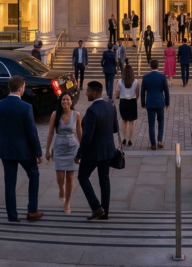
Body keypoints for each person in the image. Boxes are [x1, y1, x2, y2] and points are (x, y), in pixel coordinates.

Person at [0, 76, 44, 222]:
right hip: (24, 151)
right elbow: (32, 132)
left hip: (5, 150)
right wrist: (38, 153)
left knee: (9, 182)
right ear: (20, 88)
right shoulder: (26, 107)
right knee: (34, 176)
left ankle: (12, 216)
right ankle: (32, 211)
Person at [75, 81, 119, 221]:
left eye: (87, 91)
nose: (86, 94)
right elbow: (115, 129)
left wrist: (79, 154)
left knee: (82, 177)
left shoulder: (91, 110)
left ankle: (96, 207)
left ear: (94, 93)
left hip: (93, 152)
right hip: (108, 150)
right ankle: (104, 213)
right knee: (104, 181)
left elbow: (87, 136)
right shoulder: (110, 106)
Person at [45, 93, 82, 214]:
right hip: (59, 148)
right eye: (63, 99)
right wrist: (47, 150)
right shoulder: (55, 115)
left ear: (71, 101)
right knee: (60, 177)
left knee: (70, 177)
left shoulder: (76, 115)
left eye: (67, 100)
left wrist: (83, 149)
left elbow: (79, 132)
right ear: (60, 101)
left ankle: (67, 202)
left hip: (72, 148)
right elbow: (51, 132)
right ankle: (61, 190)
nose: (65, 102)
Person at [140, 59, 170, 150]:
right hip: (160, 102)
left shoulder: (145, 77)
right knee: (161, 121)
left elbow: (142, 92)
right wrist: (167, 102)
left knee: (151, 123)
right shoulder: (162, 76)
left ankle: (153, 143)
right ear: (158, 66)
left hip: (150, 102)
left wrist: (143, 103)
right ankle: (160, 140)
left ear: (150, 66)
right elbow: (166, 91)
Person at [115, 59, 138, 147]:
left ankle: (124, 137)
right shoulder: (135, 81)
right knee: (131, 122)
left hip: (123, 101)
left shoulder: (120, 82)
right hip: (132, 101)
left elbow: (117, 94)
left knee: (124, 121)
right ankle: (130, 139)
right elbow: (137, 93)